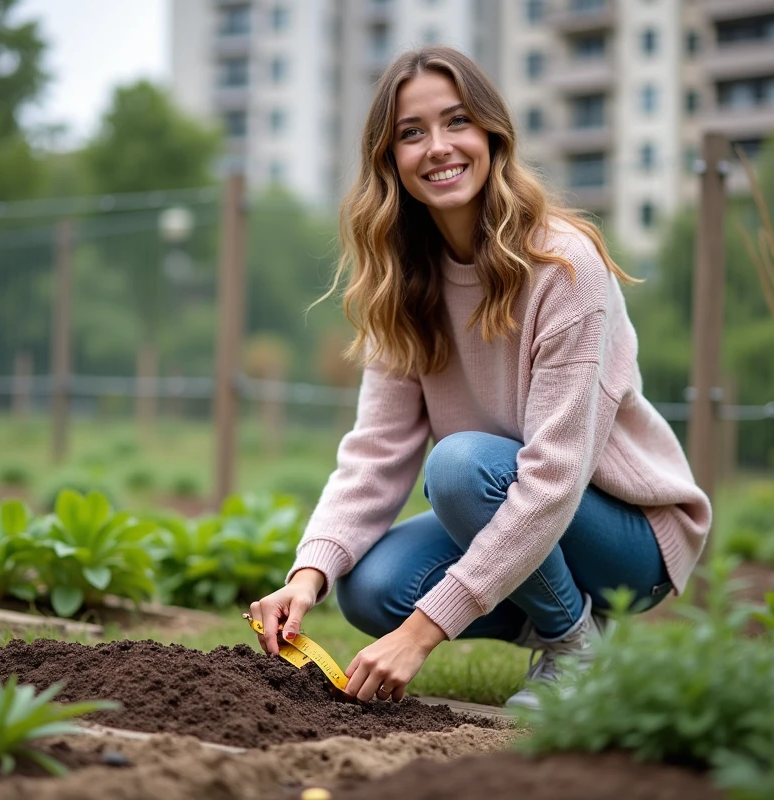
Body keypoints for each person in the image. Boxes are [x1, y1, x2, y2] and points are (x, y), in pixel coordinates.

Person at [248, 45, 711, 710]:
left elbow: (552, 478)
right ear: (390, 160)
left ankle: (575, 648)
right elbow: (375, 454)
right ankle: (575, 622)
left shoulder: (564, 267)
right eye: (411, 132)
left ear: (493, 135)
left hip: (628, 535)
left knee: (460, 468)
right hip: (508, 501)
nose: (437, 147)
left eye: (456, 121)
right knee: (370, 585)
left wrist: (424, 631)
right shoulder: (405, 281)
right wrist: (307, 573)